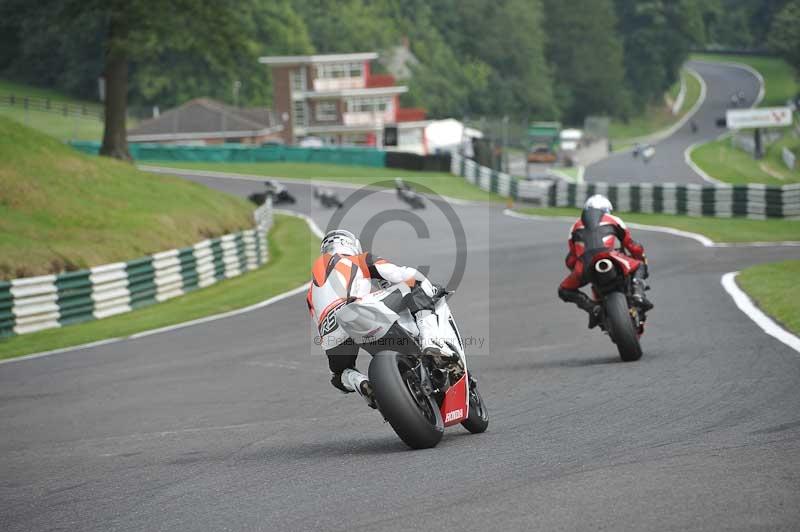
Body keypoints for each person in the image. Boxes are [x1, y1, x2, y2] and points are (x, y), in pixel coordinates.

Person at [307, 229, 446, 407]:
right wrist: (430, 289)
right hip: (356, 309)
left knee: (339, 375)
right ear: (352, 245)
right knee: (415, 282)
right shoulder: (358, 259)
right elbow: (401, 274)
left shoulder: (311, 291)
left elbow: (318, 320)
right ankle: (432, 343)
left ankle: (360, 382)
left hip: (331, 332)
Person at [558, 195, 653, 328]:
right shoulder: (614, 219)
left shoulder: (574, 226)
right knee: (640, 266)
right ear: (607, 209)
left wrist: (577, 271)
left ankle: (591, 308)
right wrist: (641, 258)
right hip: (611, 256)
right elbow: (632, 245)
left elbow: (571, 259)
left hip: (585, 264)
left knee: (564, 290)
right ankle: (638, 293)